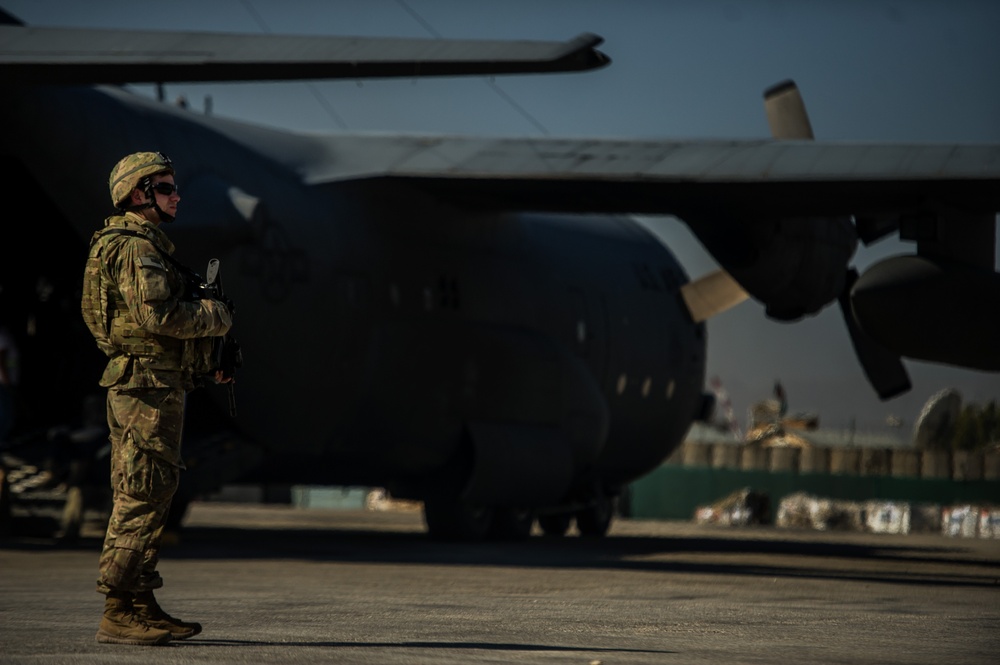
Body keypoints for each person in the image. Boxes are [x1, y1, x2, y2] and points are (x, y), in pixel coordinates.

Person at [81, 151, 234, 646]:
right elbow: (158, 319)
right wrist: (216, 315)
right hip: (144, 388)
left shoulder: (141, 245)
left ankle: (139, 602)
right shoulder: (134, 248)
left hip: (154, 383)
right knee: (140, 494)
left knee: (154, 490)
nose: (177, 195)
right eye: (166, 187)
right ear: (138, 193)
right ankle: (117, 607)